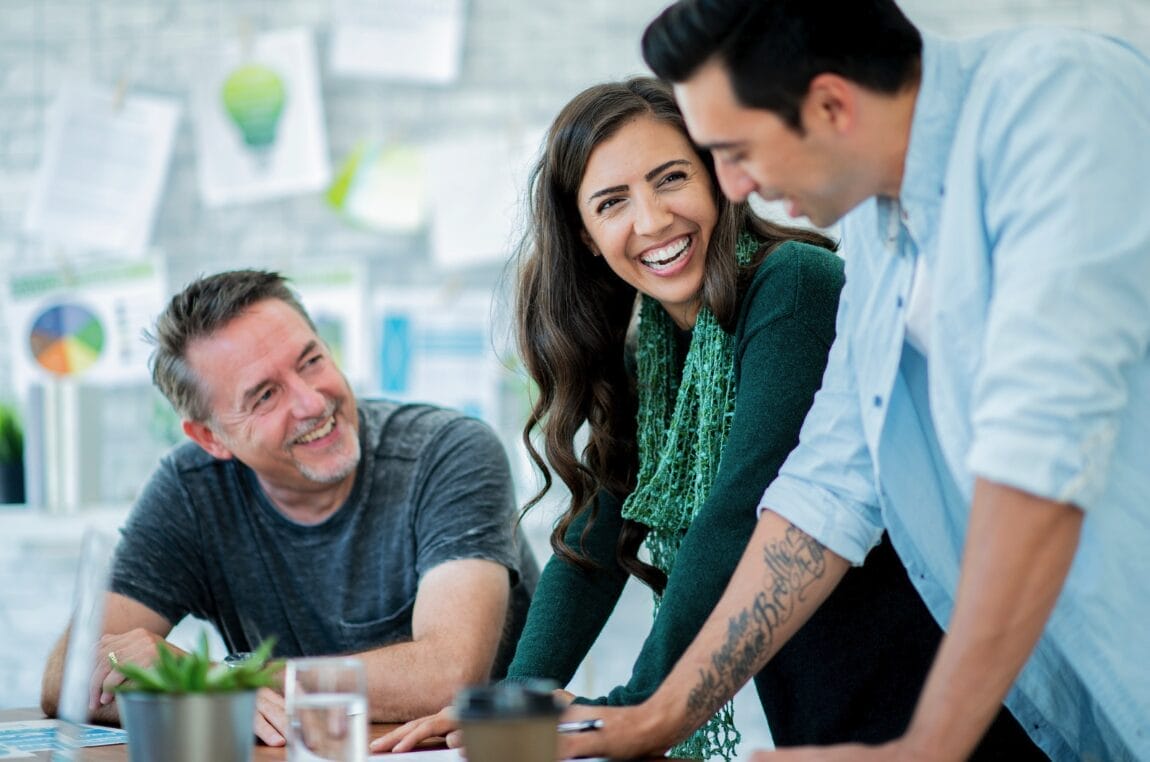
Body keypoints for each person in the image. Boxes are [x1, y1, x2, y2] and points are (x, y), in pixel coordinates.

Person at [556, 1, 1150, 760]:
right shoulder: (877, 226)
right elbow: (830, 485)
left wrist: (925, 748)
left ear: (832, 103)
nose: (732, 188)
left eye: (734, 152)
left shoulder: (1059, 106)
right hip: (1082, 710)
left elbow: (1042, 450)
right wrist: (658, 715)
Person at [374, 77, 1031, 761]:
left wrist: (637, 708)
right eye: (612, 202)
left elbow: (739, 510)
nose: (653, 220)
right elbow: (594, 544)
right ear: (588, 236)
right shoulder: (652, 358)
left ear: (719, 179)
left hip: (946, 699)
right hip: (821, 710)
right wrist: (508, 703)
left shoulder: (794, 287)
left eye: (671, 179)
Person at [39, 269, 539, 745]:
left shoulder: (449, 451)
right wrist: (183, 685)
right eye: (265, 396)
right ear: (212, 437)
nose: (312, 403)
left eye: (311, 361)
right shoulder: (191, 489)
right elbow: (68, 676)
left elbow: (448, 676)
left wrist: (222, 679)